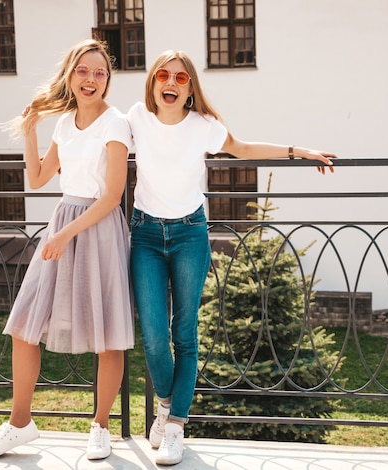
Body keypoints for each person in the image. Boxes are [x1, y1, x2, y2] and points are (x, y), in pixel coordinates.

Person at [127, 50, 337, 466]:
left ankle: (175, 427)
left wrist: (300, 151)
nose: (171, 83)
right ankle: (167, 402)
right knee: (152, 335)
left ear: (190, 90)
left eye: (181, 78)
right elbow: (100, 142)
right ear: (153, 83)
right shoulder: (135, 119)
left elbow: (242, 148)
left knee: (184, 334)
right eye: (164, 75)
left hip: (189, 234)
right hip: (146, 234)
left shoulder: (203, 126)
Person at [0, 39, 133, 461]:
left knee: (109, 337)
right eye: (83, 70)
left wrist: (66, 236)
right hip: (63, 221)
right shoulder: (64, 123)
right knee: (25, 323)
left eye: (99, 73)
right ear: (71, 75)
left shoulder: (115, 123)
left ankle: (100, 426)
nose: (91, 79)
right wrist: (29, 132)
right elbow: (39, 176)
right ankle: (19, 423)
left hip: (98, 228)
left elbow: (113, 195)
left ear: (107, 80)